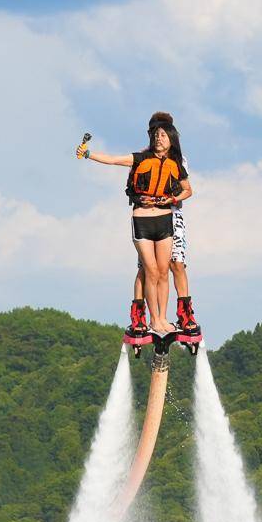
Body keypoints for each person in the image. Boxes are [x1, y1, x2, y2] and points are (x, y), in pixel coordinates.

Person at [79, 111, 198, 349]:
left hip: (167, 218)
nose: (158, 137)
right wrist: (88, 154)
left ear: (171, 136)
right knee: (149, 270)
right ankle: (147, 318)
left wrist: (171, 199)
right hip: (143, 218)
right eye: (155, 133)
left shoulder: (177, 161)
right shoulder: (142, 157)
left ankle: (169, 317)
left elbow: (188, 189)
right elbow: (114, 160)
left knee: (166, 270)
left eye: (162, 133)